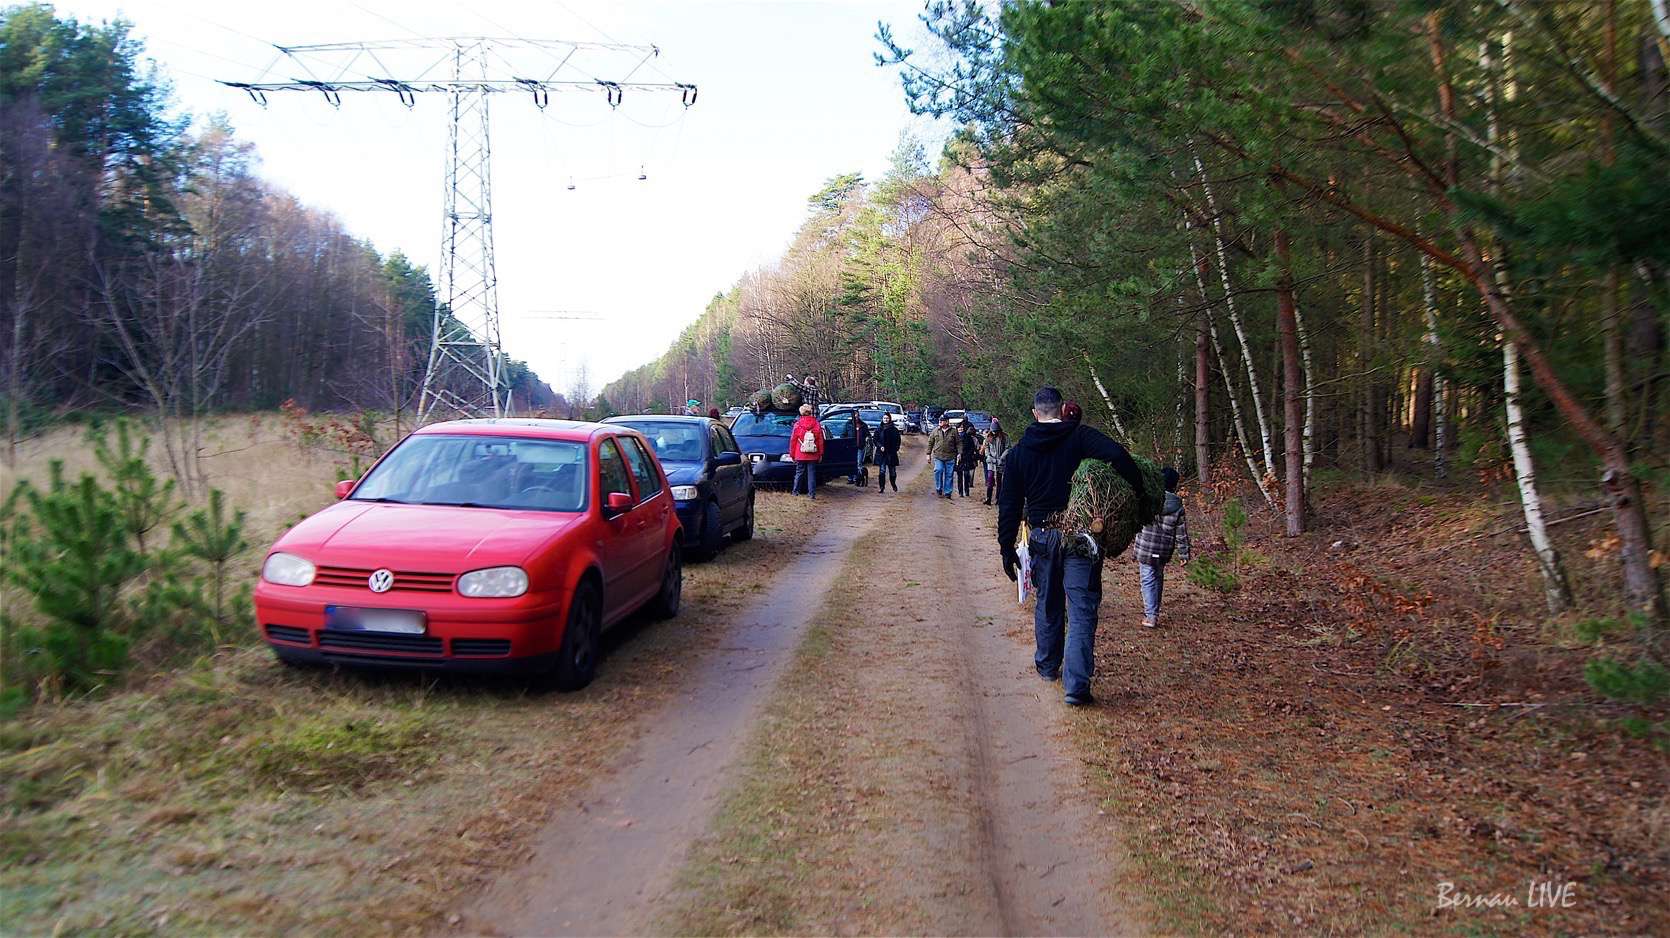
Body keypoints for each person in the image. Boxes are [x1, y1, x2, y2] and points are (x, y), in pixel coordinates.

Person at [998, 386, 1152, 707]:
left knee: (1048, 602)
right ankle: (1076, 686)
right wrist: (1139, 494)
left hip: (1042, 537)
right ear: (1061, 409)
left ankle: (1047, 666)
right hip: (1081, 538)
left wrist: (1006, 547)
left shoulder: (1019, 452)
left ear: (1035, 413)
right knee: (1081, 609)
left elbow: (1009, 504)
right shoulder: (1079, 437)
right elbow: (1119, 456)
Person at [1134, 467, 1191, 628]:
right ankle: (1154, 611)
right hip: (1163, 551)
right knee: (1157, 576)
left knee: (1147, 578)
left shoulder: (1148, 500)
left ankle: (1151, 616)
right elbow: (1181, 534)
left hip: (1145, 548)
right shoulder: (1178, 507)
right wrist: (1184, 554)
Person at [789, 404, 825, 498]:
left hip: (800, 453)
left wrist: (792, 454)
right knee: (811, 474)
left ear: (801, 412)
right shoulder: (816, 424)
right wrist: (821, 453)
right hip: (813, 453)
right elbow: (820, 440)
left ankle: (795, 491)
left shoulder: (797, 424)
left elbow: (793, 441)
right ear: (810, 412)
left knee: (799, 473)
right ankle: (811, 494)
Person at [926, 414, 959, 499]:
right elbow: (930, 442)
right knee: (938, 470)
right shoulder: (935, 431)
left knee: (949, 474)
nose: (940, 422)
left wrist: (960, 453)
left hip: (950, 456)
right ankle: (939, 488)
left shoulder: (954, 431)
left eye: (942, 420)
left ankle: (948, 492)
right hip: (938, 456)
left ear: (947, 421)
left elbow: (959, 443)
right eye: (940, 420)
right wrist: (928, 454)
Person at [982, 418, 1008, 505]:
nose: (994, 432)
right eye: (993, 431)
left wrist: (1002, 458)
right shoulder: (988, 437)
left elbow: (1008, 448)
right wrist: (988, 456)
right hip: (991, 462)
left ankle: (998, 498)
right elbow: (986, 447)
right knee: (990, 478)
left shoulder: (1004, 437)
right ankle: (988, 498)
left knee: (999, 480)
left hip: (1001, 461)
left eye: (995, 431)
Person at [873, 412, 901, 493]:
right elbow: (875, 440)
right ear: (882, 419)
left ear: (889, 419)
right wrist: (880, 446)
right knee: (882, 471)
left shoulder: (894, 429)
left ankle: (893, 484)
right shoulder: (879, 429)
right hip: (882, 453)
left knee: (892, 471)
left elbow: (898, 440)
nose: (886, 420)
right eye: (884, 418)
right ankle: (881, 487)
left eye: (887, 418)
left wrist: (896, 449)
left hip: (891, 453)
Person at [955, 420, 982, 497]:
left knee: (966, 475)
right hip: (958, 459)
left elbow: (972, 448)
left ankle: (967, 490)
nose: (961, 429)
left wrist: (968, 456)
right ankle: (960, 492)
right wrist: (957, 455)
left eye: (962, 427)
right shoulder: (955, 437)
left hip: (967, 459)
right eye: (959, 427)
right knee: (959, 476)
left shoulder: (968, 437)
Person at [848, 412, 871, 484]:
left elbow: (868, 434)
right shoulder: (848, 424)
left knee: (858, 463)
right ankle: (850, 478)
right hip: (850, 447)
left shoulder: (863, 425)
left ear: (859, 416)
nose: (856, 418)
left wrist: (867, 438)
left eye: (857, 416)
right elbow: (843, 434)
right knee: (850, 462)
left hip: (860, 446)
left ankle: (857, 478)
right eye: (854, 416)